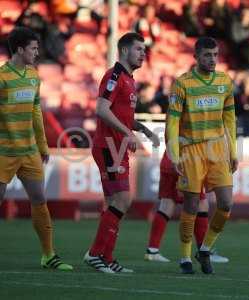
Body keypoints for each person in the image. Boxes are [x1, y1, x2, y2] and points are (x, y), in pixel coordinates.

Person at [84, 32, 160, 274]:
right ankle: (95, 254)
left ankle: (106, 257)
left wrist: (143, 128)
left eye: (144, 50)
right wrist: (128, 134)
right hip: (109, 146)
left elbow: (123, 115)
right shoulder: (114, 75)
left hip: (117, 146)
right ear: (125, 51)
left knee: (115, 202)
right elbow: (102, 109)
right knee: (123, 200)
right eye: (139, 49)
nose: (143, 54)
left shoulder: (129, 79)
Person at [0, 27, 73, 270]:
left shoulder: (33, 76)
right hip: (4, 152)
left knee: (39, 200)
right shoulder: (2, 78)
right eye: (33, 48)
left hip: (29, 150)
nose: (37, 52)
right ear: (19, 50)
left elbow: (36, 113)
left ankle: (48, 255)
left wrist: (43, 146)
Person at [166, 37, 237, 274]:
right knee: (192, 204)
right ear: (195, 57)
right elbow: (173, 121)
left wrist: (233, 151)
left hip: (217, 148)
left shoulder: (224, 82)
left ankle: (205, 248)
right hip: (192, 149)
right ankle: (185, 257)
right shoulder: (182, 84)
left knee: (226, 203)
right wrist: (175, 154)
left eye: (215, 55)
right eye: (207, 55)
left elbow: (229, 119)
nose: (212, 60)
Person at [144, 150, 229, 264]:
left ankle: (152, 250)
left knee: (167, 204)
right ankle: (203, 251)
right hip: (186, 164)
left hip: (168, 161)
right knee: (201, 204)